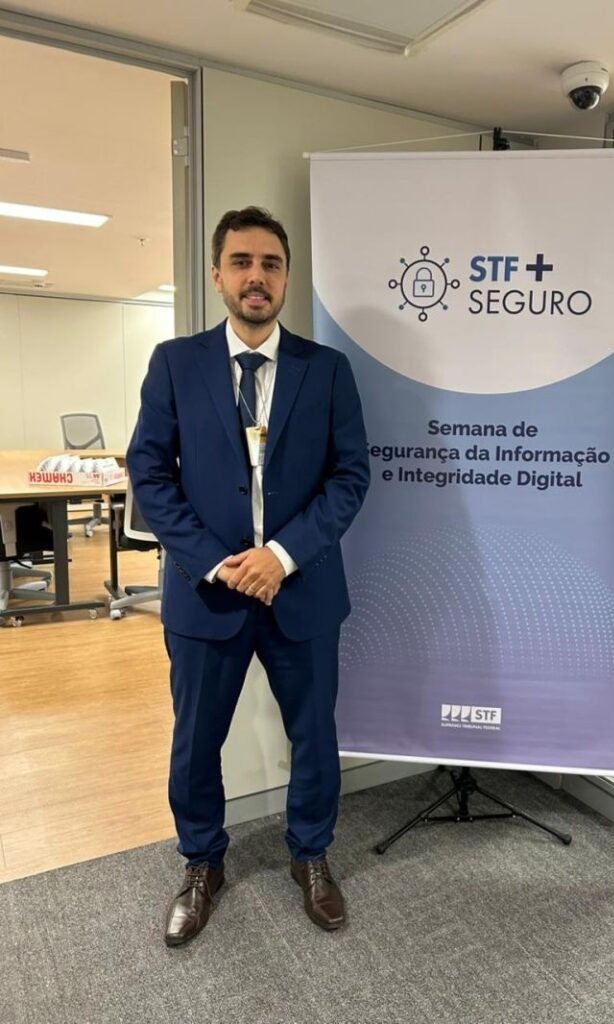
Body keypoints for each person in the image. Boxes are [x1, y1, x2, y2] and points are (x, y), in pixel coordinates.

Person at [126, 206, 370, 947]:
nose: (256, 276)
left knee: (314, 737)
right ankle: (202, 863)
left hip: (302, 589)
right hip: (207, 593)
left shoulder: (327, 371)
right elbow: (149, 474)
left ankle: (311, 855)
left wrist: (281, 556)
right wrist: (216, 560)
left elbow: (350, 477)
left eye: (270, 263)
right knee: (196, 741)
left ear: (286, 277)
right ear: (217, 275)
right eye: (241, 262)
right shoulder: (176, 363)